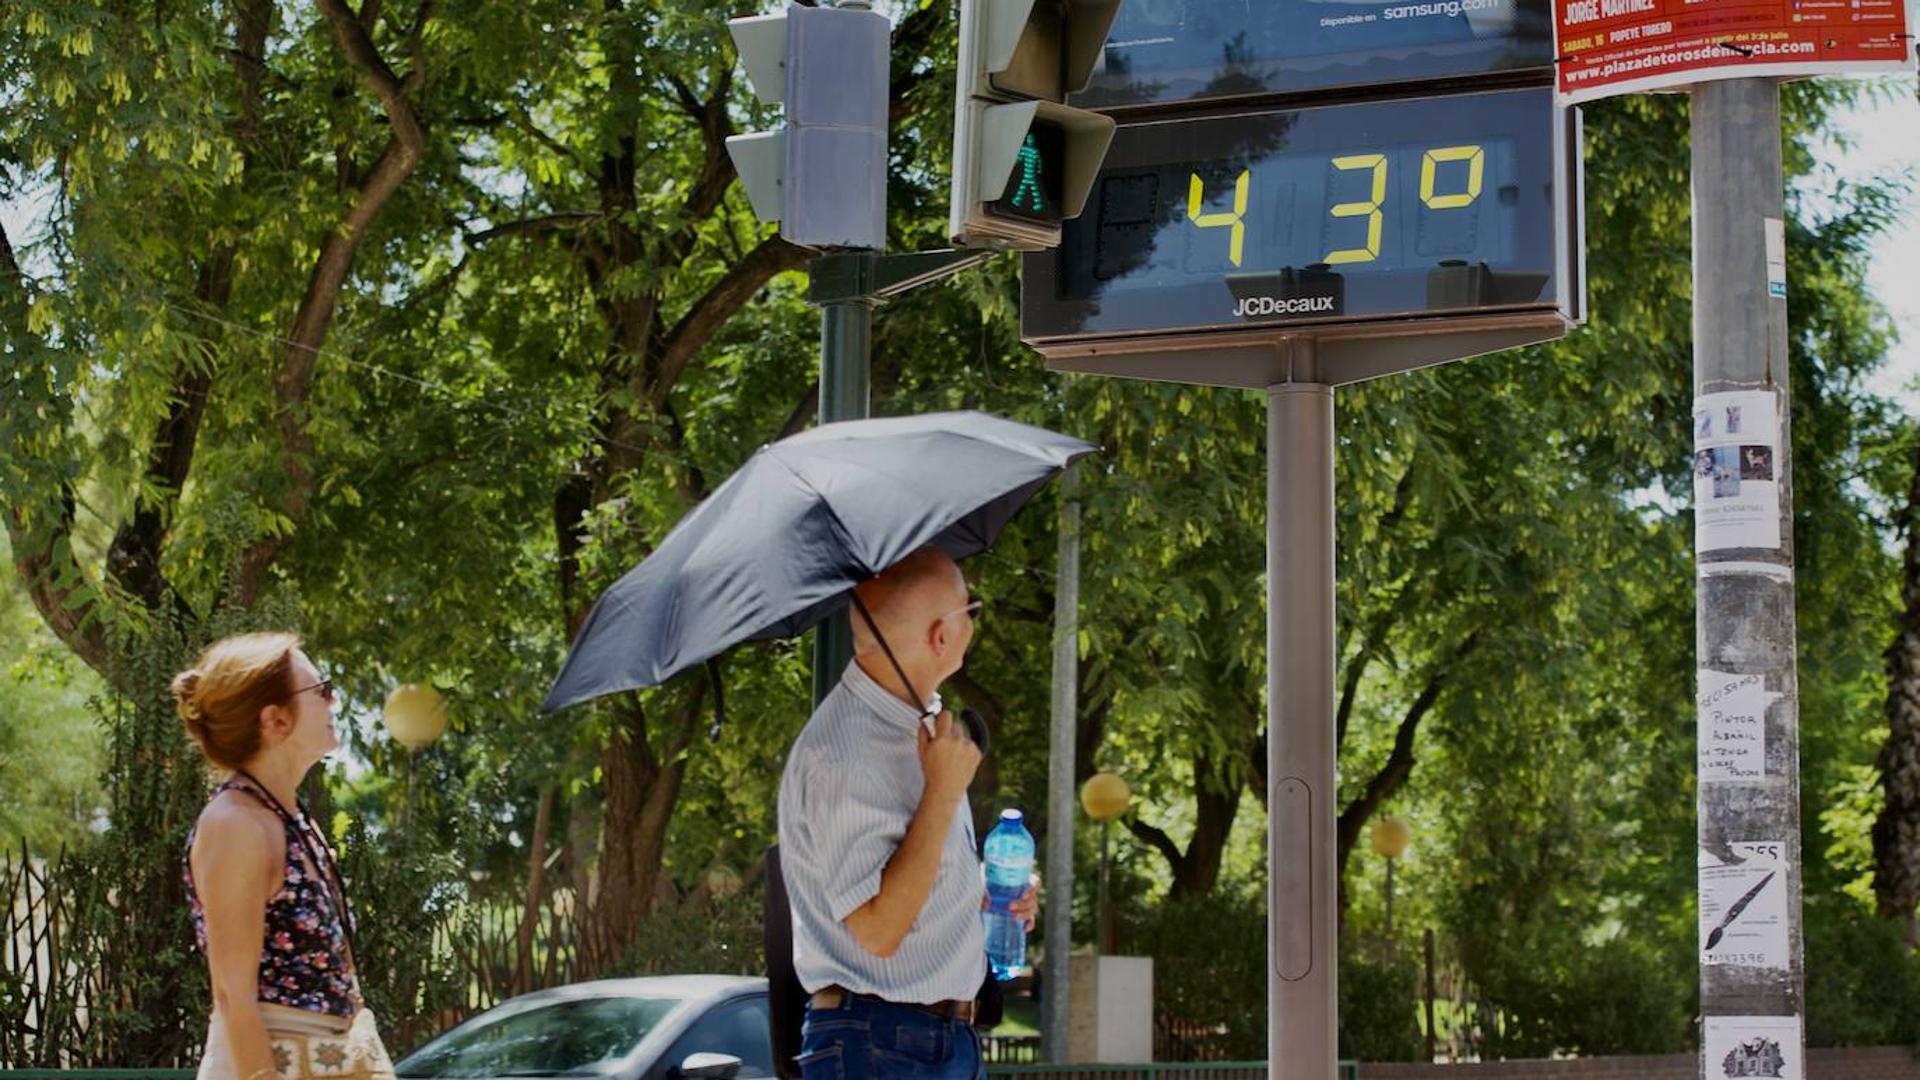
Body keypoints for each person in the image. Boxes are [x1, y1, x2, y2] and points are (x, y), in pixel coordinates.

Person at [777, 547, 1037, 1080]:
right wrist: (942, 791)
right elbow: (877, 930)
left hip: (933, 1041)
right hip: (878, 1044)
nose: (975, 623)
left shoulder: (919, 722)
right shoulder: (844, 755)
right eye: (973, 610)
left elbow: (914, 877)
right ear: (942, 635)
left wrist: (989, 896)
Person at [173, 632, 394, 1080]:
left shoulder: (285, 818)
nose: (333, 702)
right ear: (275, 719)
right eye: (322, 690)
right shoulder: (235, 824)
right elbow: (233, 995)